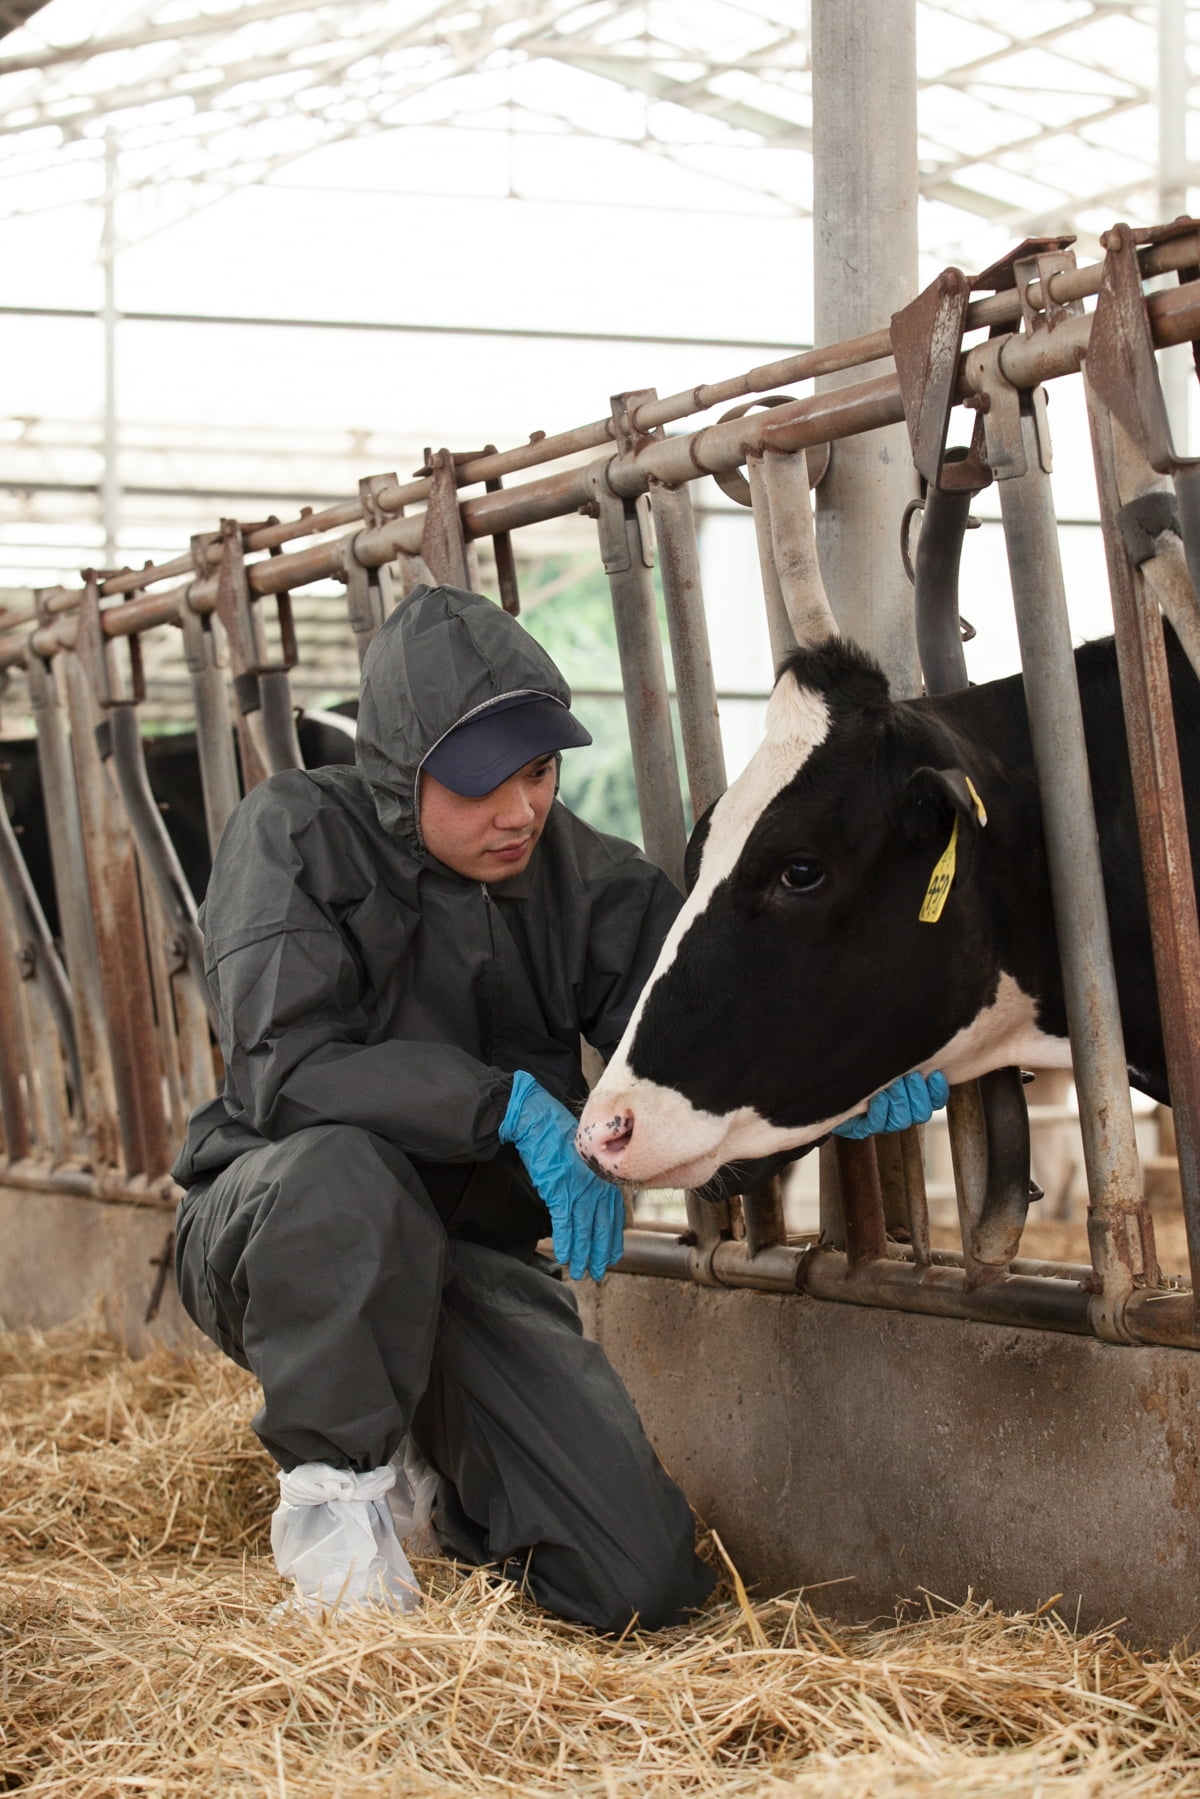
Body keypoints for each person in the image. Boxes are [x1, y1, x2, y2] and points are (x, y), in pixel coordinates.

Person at [172, 582, 946, 1630]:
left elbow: (700, 1043)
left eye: (538, 771)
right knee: (346, 1173)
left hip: (463, 1259)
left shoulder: (581, 875)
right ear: (403, 774)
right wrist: (507, 1108)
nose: (522, 808)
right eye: (483, 784)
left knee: (638, 1586)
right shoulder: (296, 833)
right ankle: (340, 1522)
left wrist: (818, 1083)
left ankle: (443, 1473)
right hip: (284, 1233)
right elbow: (289, 1068)